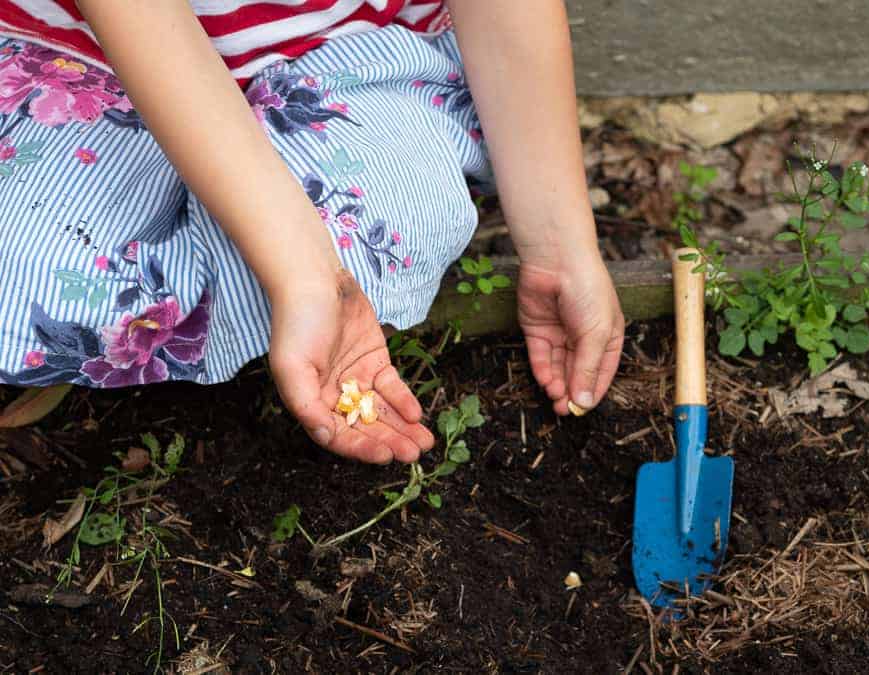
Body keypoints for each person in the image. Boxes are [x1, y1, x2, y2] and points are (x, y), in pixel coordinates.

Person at [0, 1, 624, 464]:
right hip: (86, 62)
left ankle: (158, 323)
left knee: (386, 212)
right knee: (22, 265)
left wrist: (559, 247)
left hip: (336, 57)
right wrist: (306, 277)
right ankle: (203, 314)